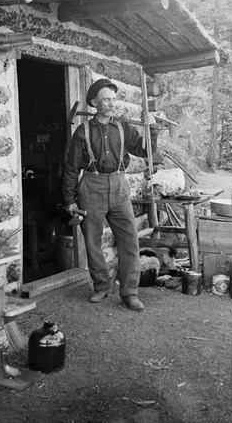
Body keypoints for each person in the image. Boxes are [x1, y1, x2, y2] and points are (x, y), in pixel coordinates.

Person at [62, 78, 159, 311]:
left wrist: (151, 128)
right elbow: (71, 169)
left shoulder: (123, 126)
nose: (110, 103)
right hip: (91, 187)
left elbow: (146, 151)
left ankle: (129, 292)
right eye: (105, 99)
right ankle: (102, 286)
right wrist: (69, 201)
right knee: (93, 242)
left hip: (118, 186)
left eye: (113, 99)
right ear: (95, 102)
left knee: (129, 241)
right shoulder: (82, 132)